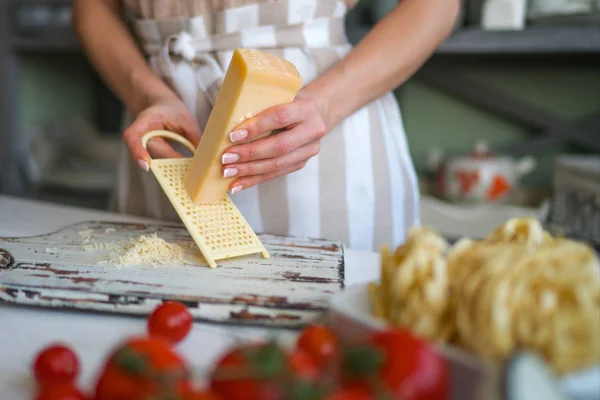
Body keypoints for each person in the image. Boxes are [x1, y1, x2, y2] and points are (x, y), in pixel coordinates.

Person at [72, 0, 460, 252]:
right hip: (166, 144)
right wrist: (146, 95)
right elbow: (93, 8)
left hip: (328, 133)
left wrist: (323, 104)